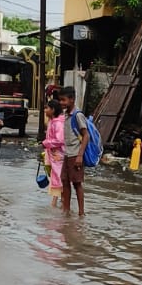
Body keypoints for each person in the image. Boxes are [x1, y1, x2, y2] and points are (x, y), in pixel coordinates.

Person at [59, 87, 88, 217]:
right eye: (60, 100)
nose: (61, 103)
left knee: (77, 184)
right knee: (65, 182)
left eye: (64, 100)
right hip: (66, 153)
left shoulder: (78, 115)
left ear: (72, 99)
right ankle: (66, 211)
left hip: (75, 154)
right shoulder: (65, 115)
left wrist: (80, 155)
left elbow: (86, 135)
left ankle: (81, 213)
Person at [42, 96, 65, 206]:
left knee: (58, 176)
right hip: (52, 154)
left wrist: (46, 143)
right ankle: (60, 202)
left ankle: (56, 202)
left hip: (58, 155)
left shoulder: (58, 123)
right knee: (56, 176)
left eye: (47, 108)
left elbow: (59, 140)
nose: (45, 110)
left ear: (53, 110)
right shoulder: (52, 121)